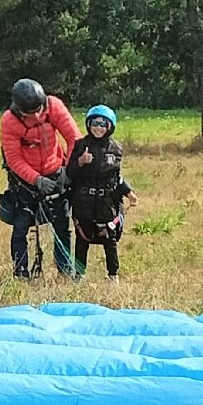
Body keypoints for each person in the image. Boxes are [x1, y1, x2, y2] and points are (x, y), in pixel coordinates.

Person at [0, 78, 82, 279]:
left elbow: (75, 139)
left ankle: (65, 270)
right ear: (20, 110)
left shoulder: (53, 105)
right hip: (25, 181)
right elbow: (14, 159)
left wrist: (68, 171)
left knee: (62, 225)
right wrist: (36, 180)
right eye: (31, 113)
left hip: (56, 172)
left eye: (39, 109)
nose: (37, 115)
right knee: (21, 228)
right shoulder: (9, 121)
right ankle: (21, 272)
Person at [66, 105, 139, 282]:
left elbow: (117, 178)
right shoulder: (80, 145)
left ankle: (113, 275)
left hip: (107, 203)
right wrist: (81, 162)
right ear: (88, 124)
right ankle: (79, 274)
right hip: (84, 202)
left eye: (102, 124)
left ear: (109, 126)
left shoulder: (116, 148)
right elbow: (70, 173)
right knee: (82, 238)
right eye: (95, 123)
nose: (98, 128)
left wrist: (129, 193)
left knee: (110, 238)